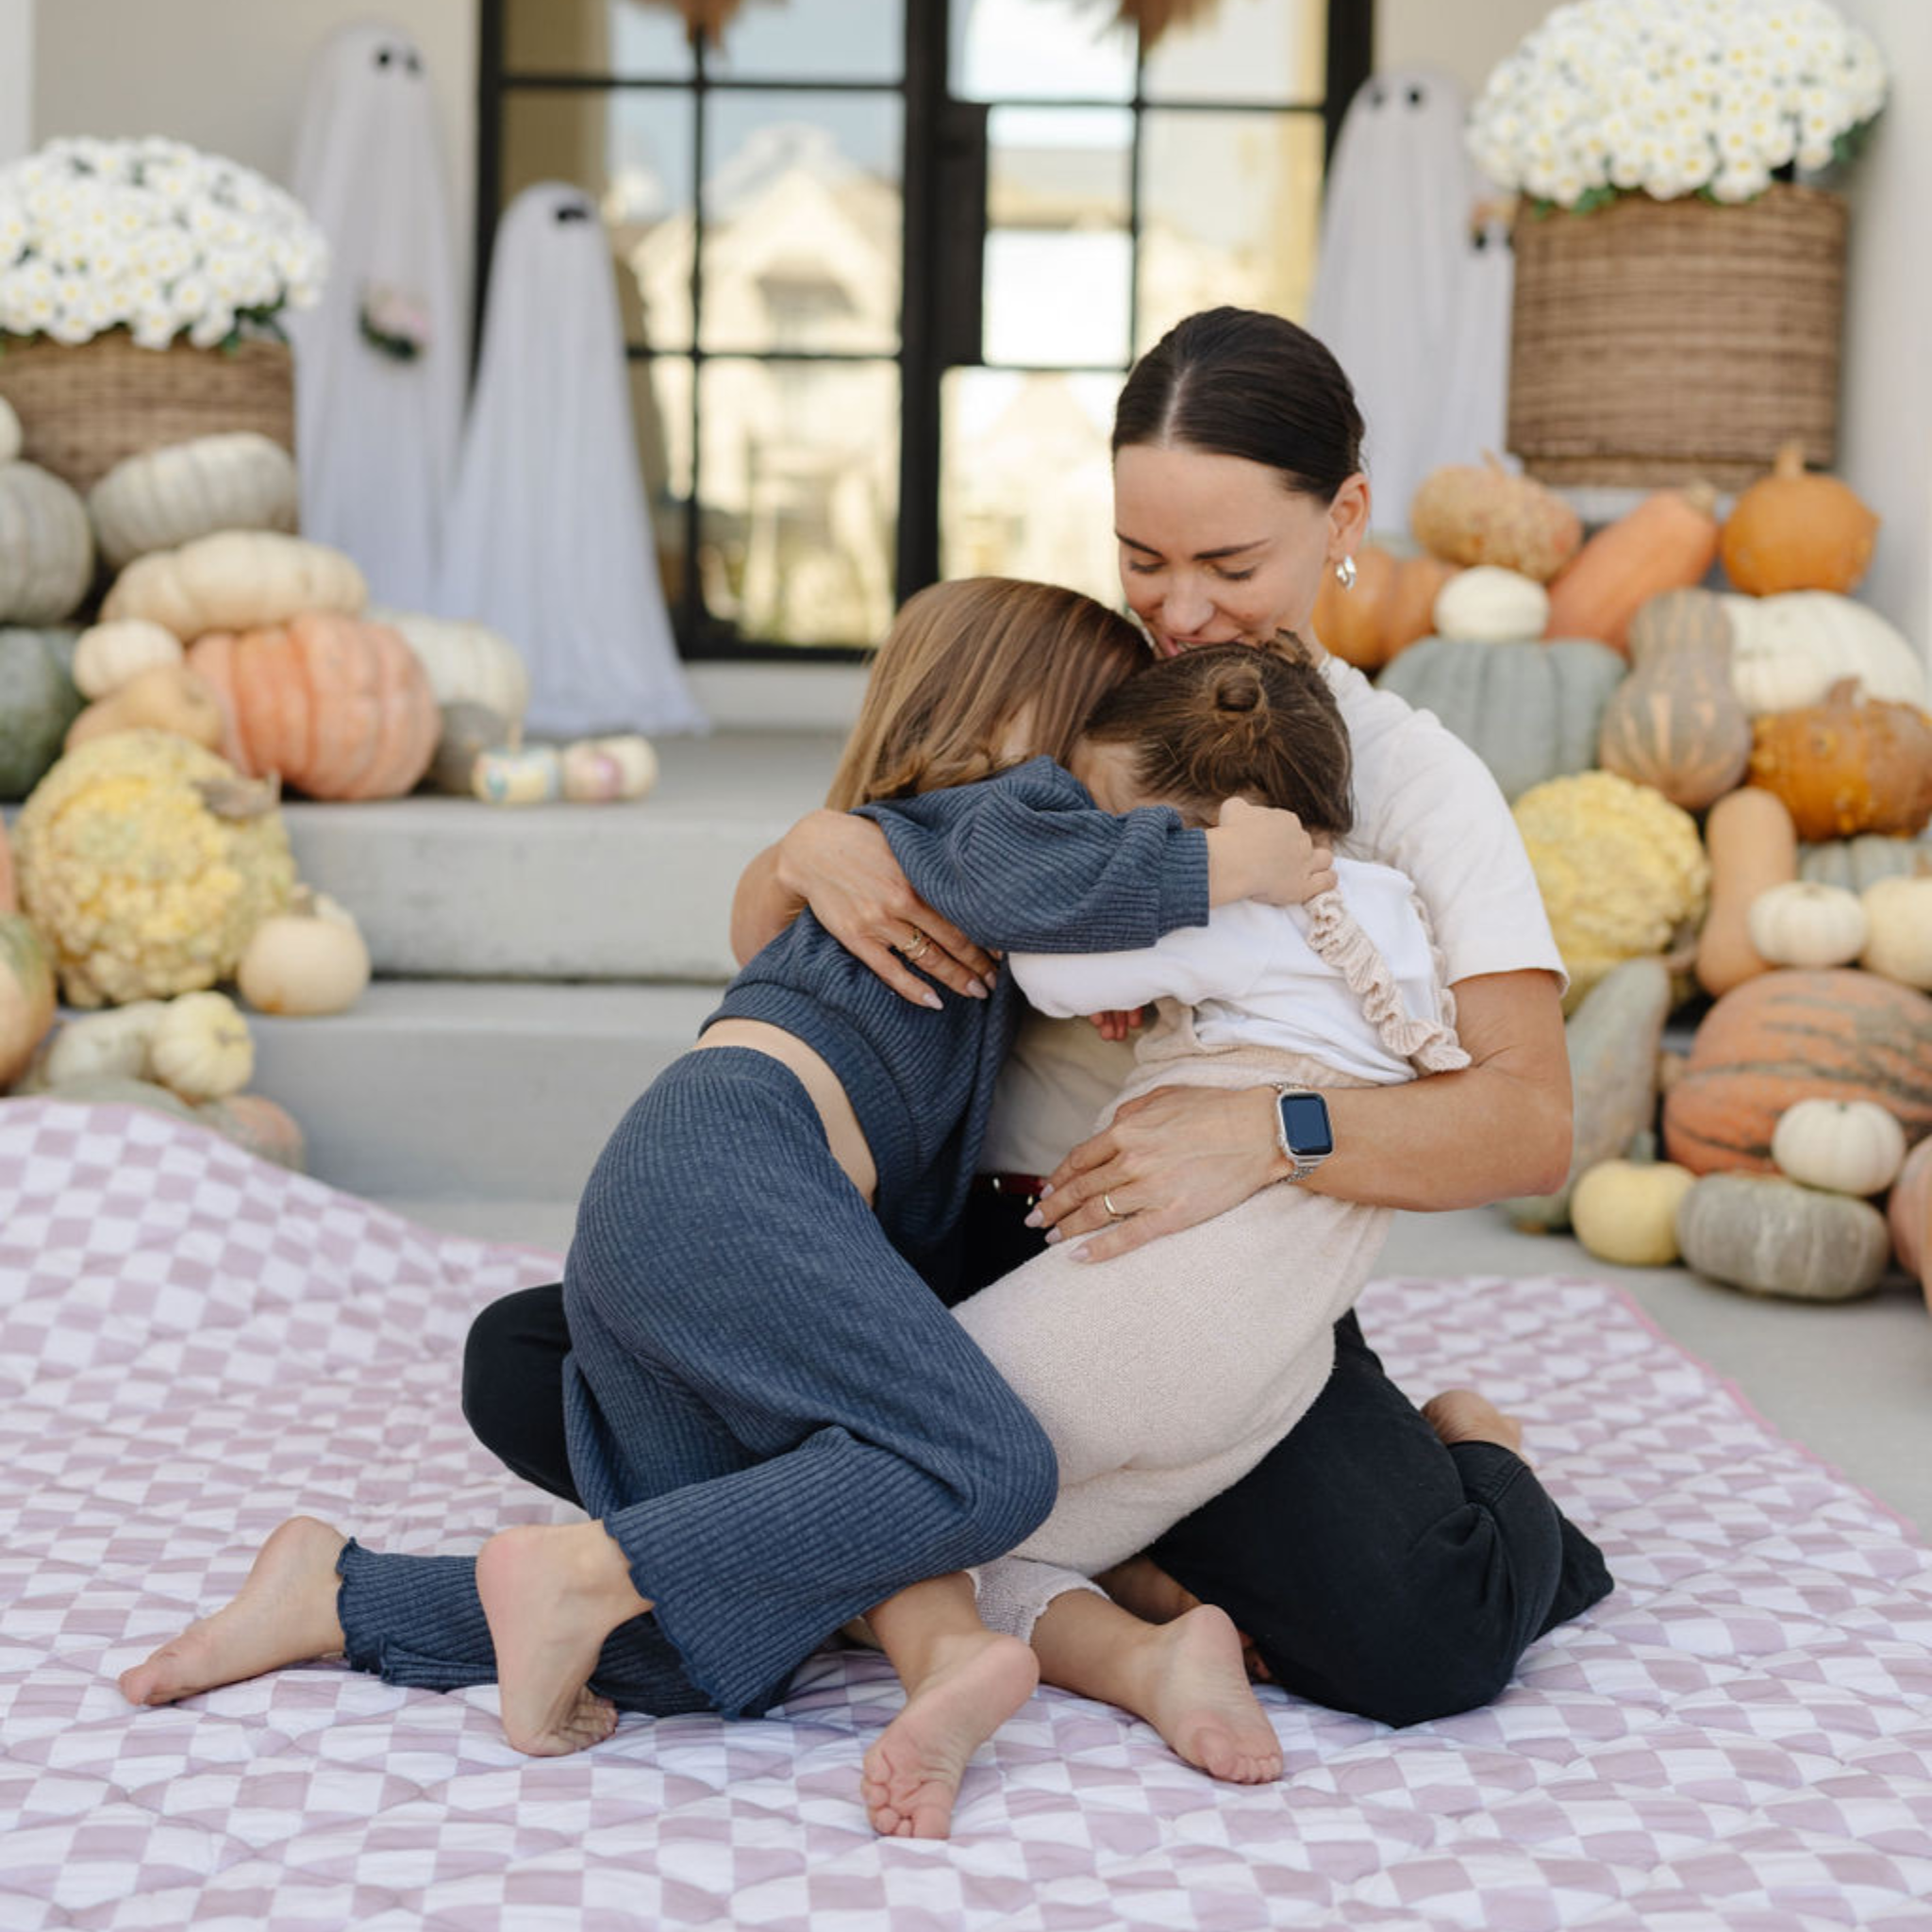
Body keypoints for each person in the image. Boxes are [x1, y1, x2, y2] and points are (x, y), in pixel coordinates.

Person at [461, 306, 1614, 1731]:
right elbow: (812, 921)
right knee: (540, 1362)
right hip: (929, 1254)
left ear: (1344, 521)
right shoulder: (1086, 697)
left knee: (1420, 1640)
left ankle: (1471, 1454)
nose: (1180, 613)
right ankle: (1084, 1553)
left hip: (1174, 1277)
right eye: (1145, 560)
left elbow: (1529, 1123)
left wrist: (1272, 1131)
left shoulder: (1413, 782)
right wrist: (808, 849)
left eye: (1229, 566)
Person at [117, 577, 1333, 1836]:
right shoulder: (985, 815)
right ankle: (582, 1568)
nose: (1122, 776)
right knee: (989, 1463)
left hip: (684, 1204)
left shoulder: (926, 860)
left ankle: (330, 1594)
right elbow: (1036, 866)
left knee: (702, 1650)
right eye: (1107, 727)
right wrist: (1225, 860)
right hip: (734, 1169)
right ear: (1022, 718)